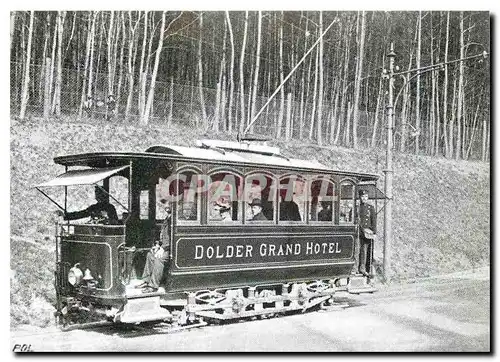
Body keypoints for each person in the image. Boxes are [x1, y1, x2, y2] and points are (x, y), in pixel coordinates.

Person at [137, 199, 171, 292]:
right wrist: (158, 246)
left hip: (172, 249)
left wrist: (163, 249)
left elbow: (172, 238)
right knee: (150, 255)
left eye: (169, 204)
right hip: (165, 247)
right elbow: (163, 236)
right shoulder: (167, 218)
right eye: (165, 204)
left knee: (159, 259)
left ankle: (153, 286)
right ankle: (146, 281)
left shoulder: (173, 219)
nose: (166, 206)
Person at [355, 189, 377, 277]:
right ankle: (355, 268)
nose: (364, 198)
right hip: (358, 232)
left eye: (366, 197)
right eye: (363, 196)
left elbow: (374, 221)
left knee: (364, 251)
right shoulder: (357, 208)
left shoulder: (370, 208)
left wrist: (374, 232)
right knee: (357, 250)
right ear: (360, 197)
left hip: (367, 233)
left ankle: (363, 268)